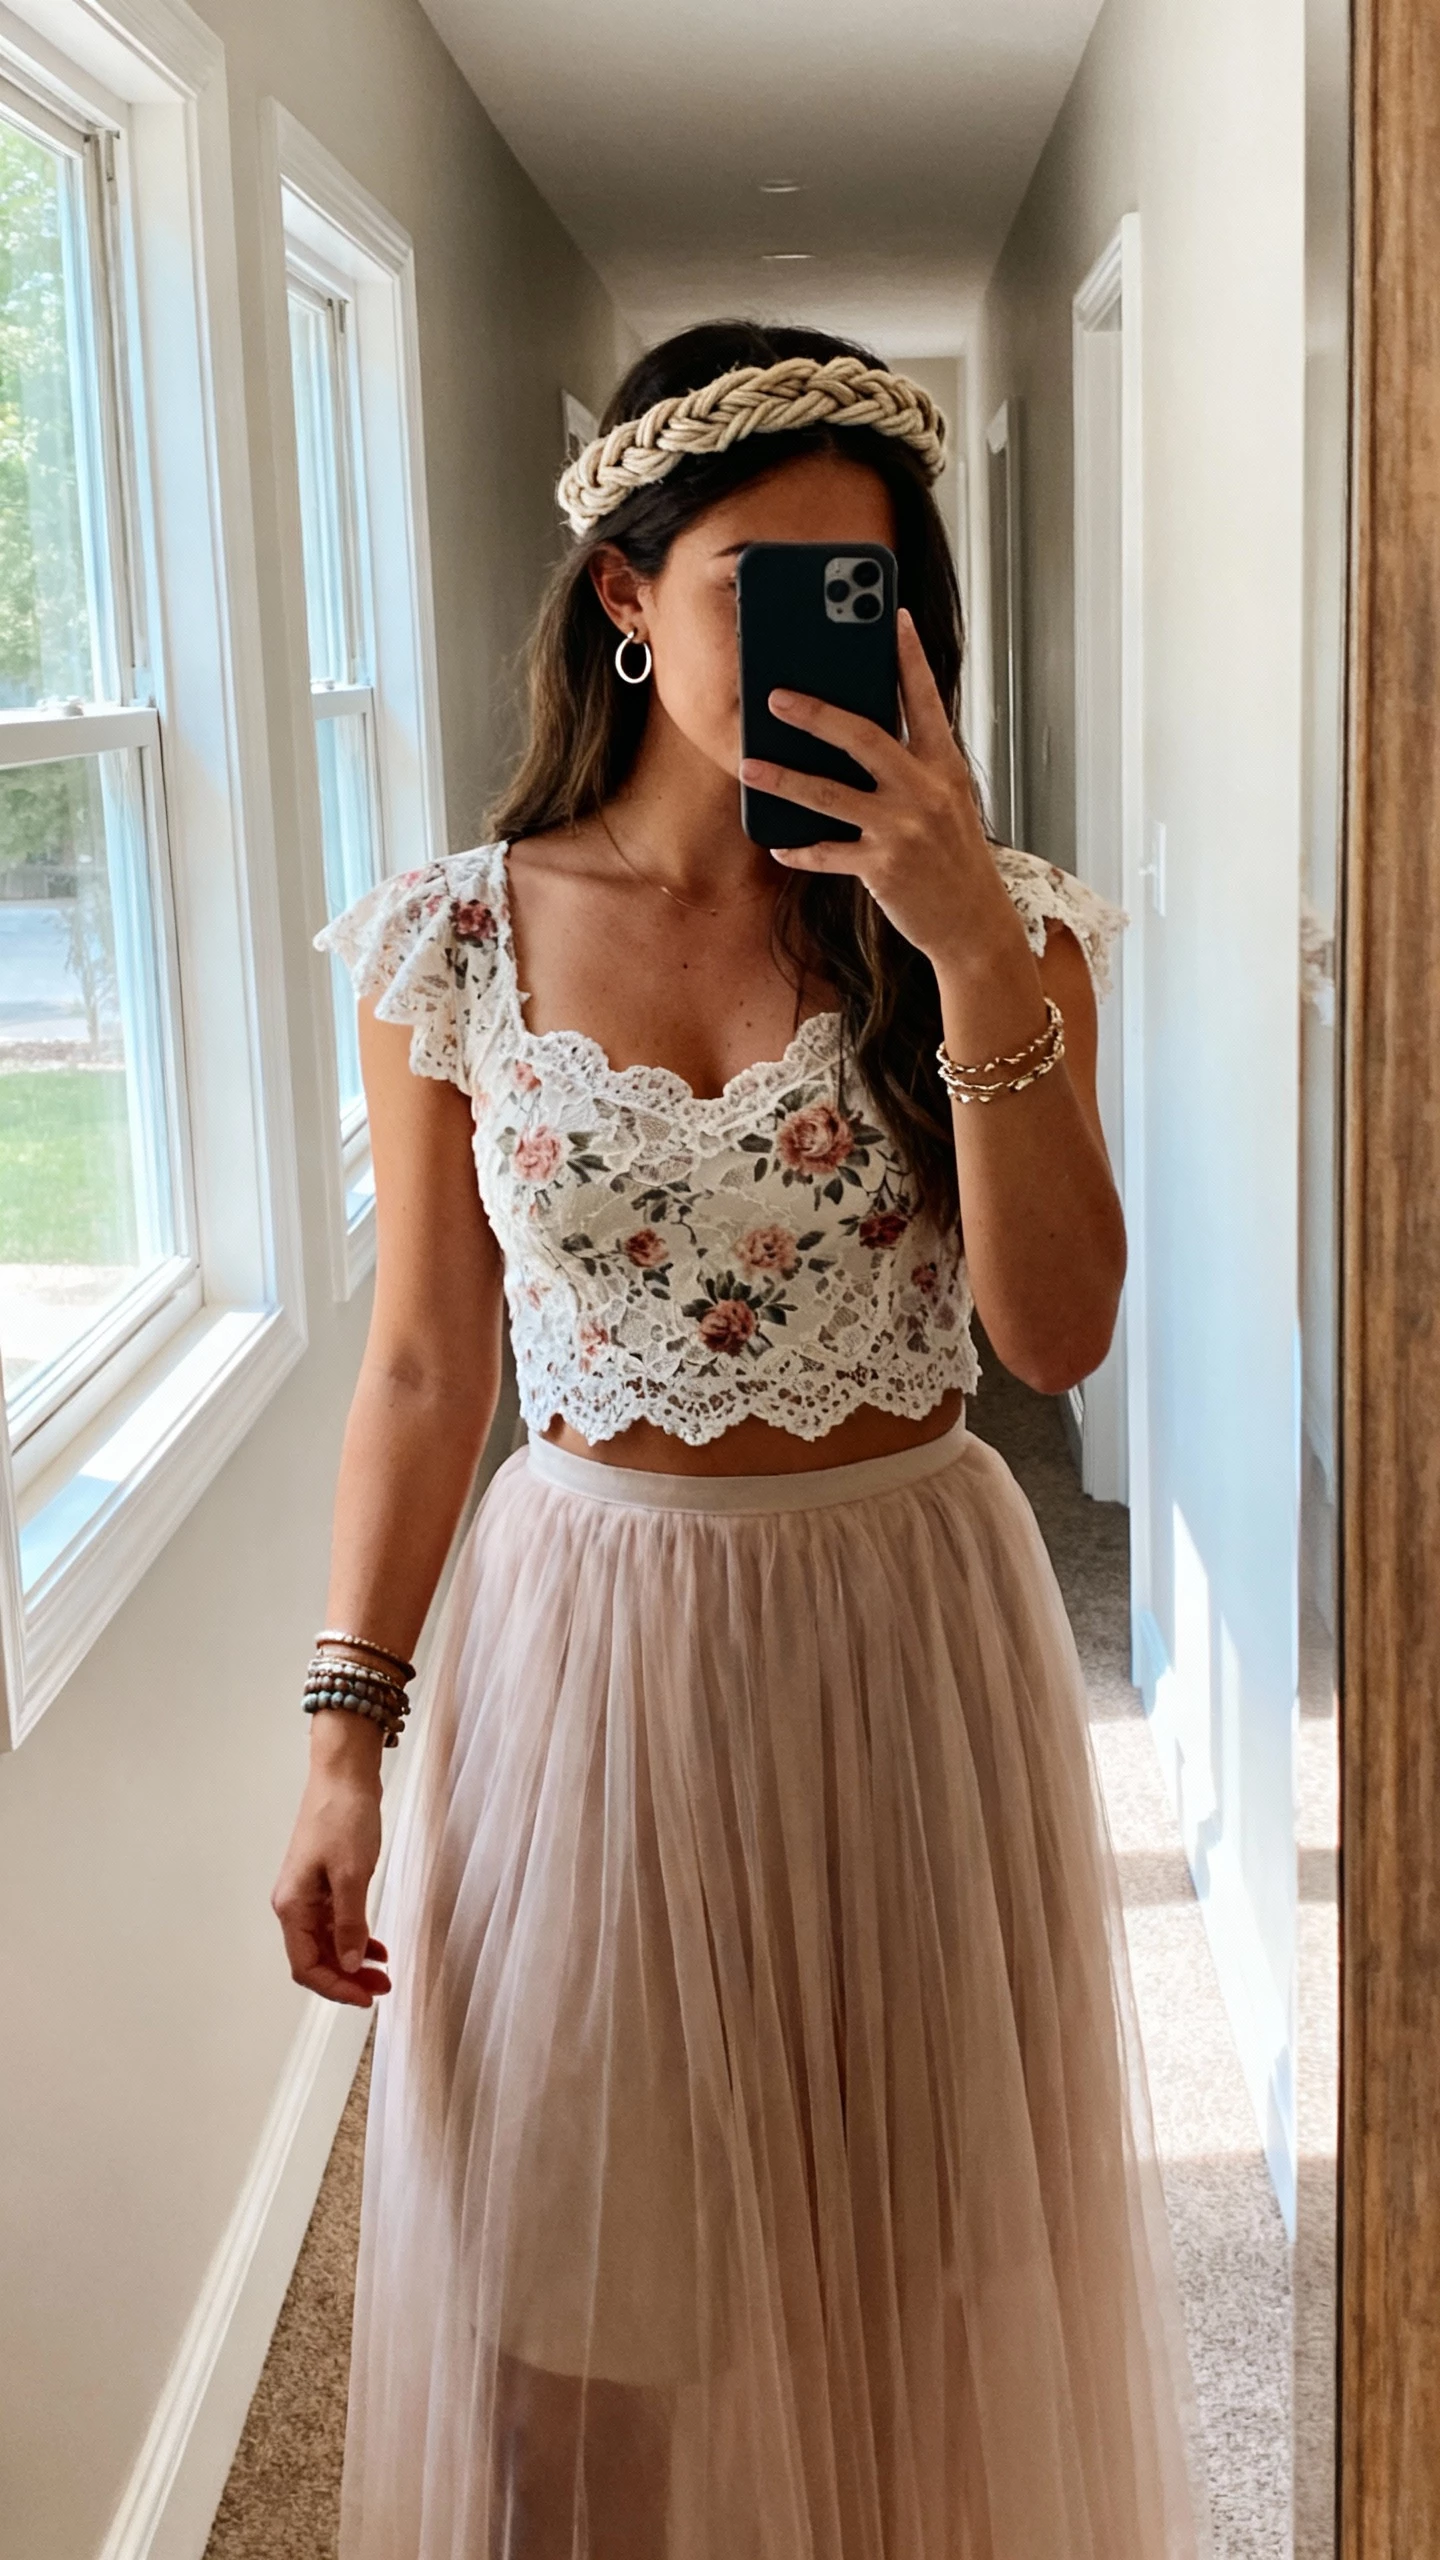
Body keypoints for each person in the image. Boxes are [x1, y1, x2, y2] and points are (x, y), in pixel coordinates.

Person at [272, 320, 1204, 2559]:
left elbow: (1055, 1333)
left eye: (863, 598)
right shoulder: (453, 942)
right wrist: (343, 1734)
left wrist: (969, 948)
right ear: (622, 591)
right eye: (752, 591)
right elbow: (424, 1361)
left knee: (906, 2303)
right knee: (571, 2314)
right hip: (583, 1659)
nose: (810, 647)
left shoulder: (1015, 930)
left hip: (908, 1637)